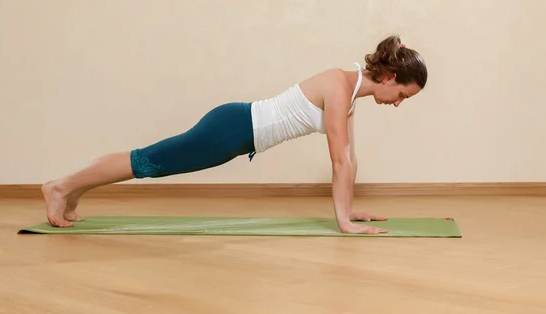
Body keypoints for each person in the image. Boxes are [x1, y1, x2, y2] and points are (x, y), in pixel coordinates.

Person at [41, 35, 427, 234]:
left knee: (147, 161)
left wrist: (350, 209)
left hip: (236, 131)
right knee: (146, 162)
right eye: (402, 96)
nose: (397, 103)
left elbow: (350, 158)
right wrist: (343, 221)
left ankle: (72, 191)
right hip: (230, 130)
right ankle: (60, 187)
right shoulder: (339, 87)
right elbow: (339, 158)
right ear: (390, 77)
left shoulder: (349, 92)